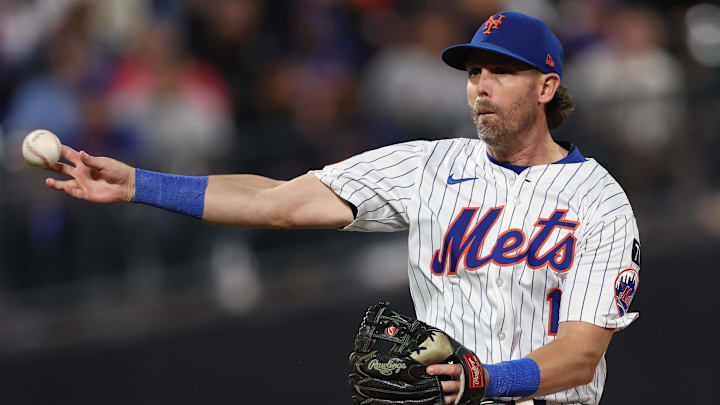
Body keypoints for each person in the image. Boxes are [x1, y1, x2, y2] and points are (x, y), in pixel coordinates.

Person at [44, 11, 640, 405]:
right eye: (474, 70)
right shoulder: (430, 164)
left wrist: (486, 379)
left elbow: (580, 355)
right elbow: (278, 201)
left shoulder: (598, 200)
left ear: (545, 87)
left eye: (502, 71)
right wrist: (138, 185)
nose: (480, 84)